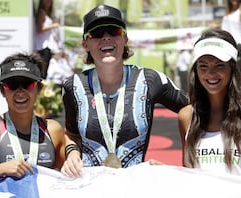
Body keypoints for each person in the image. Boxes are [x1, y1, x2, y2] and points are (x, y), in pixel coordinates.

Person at [60, 4, 188, 177]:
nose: (106, 37)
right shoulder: (72, 86)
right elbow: (72, 134)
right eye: (96, 33)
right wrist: (72, 154)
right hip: (90, 190)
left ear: (125, 39)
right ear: (85, 43)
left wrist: (187, 162)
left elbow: (193, 110)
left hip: (134, 189)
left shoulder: (151, 80)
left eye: (114, 31)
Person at [0, 52, 65, 181]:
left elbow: (66, 179)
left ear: (39, 88)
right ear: (2, 90)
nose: (20, 91)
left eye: (27, 84)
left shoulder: (53, 130)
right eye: (12, 84)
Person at [178, 28, 241, 175]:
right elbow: (188, 175)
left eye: (219, 65)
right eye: (203, 66)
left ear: (232, 68)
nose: (211, 73)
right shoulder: (187, 117)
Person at [34, 0, 63, 78]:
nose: (48, 2)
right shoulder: (41, 13)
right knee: (42, 73)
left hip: (46, 46)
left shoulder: (46, 14)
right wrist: (54, 25)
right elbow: (39, 29)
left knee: (44, 72)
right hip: (42, 46)